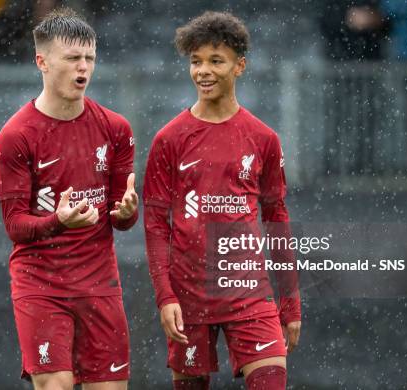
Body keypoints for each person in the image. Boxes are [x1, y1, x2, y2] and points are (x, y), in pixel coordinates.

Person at [143, 11, 301, 390]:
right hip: (188, 297)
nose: (203, 71)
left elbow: (276, 219)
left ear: (239, 66)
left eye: (216, 61)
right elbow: (154, 225)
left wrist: (290, 302)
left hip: (249, 294)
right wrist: (165, 296)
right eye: (196, 62)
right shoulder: (169, 139)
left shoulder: (263, 138)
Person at [0, 8, 138, 390]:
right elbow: (15, 227)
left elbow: (120, 219)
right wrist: (58, 221)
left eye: (89, 58)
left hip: (100, 285)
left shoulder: (116, 128)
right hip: (42, 286)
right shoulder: (16, 136)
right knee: (54, 385)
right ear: (41, 61)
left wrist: (126, 213)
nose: (83, 67)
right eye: (72, 58)